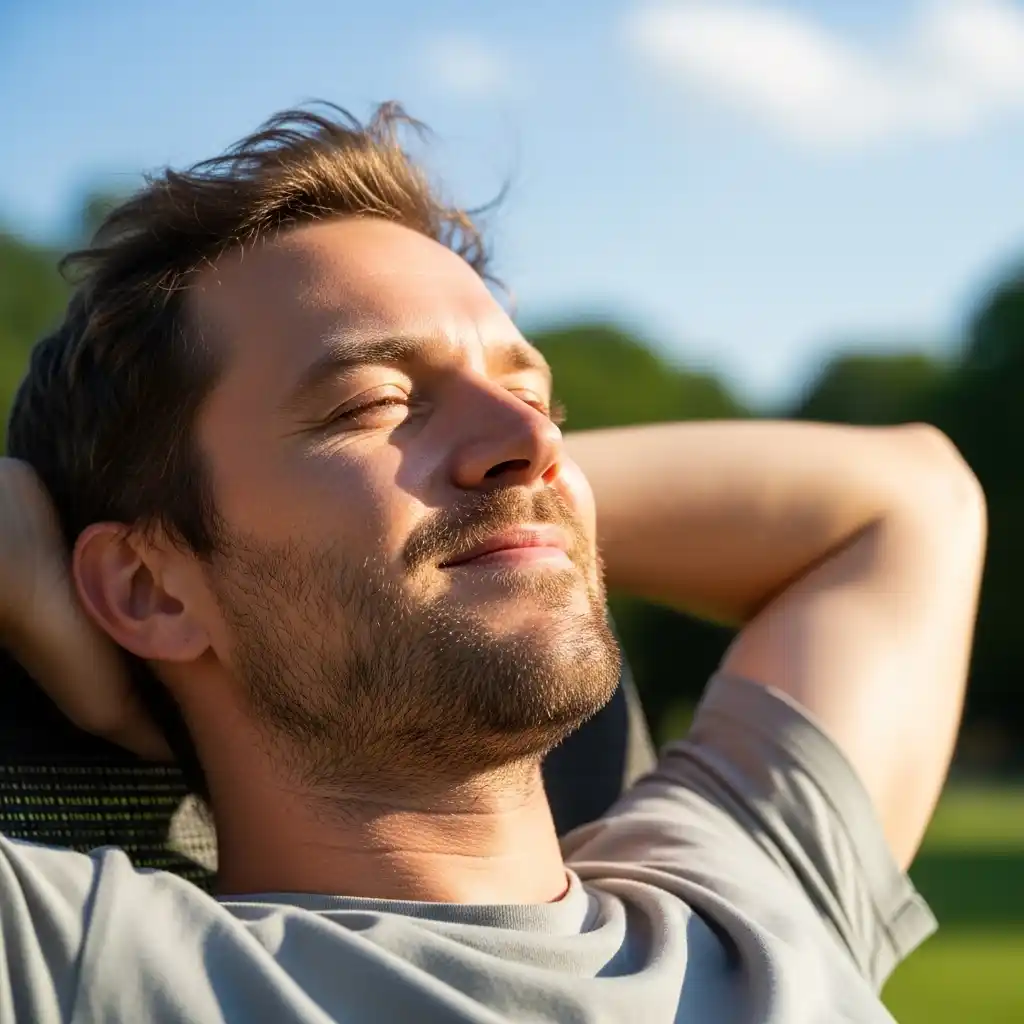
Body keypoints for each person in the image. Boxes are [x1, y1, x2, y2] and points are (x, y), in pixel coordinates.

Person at [0, 103, 986, 1023]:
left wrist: (529, 503)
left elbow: (913, 497)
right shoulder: (80, 962)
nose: (533, 437)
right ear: (147, 585)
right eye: (370, 404)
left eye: (536, 399)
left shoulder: (750, 895)